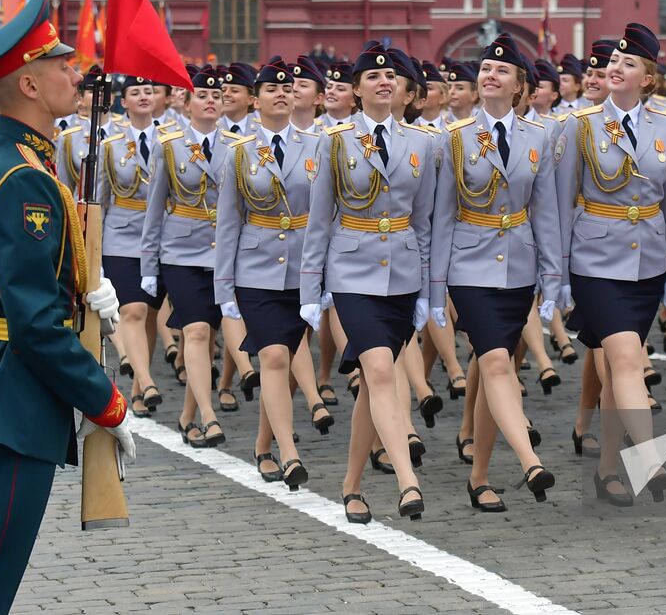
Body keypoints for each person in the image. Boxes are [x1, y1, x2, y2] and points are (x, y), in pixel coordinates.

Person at [0, 0, 132, 615]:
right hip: (12, 407)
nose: (75, 73)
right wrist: (107, 404)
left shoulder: (2, 162)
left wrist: (83, 286)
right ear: (30, 87)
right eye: (60, 64)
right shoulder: (22, 179)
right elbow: (35, 324)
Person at [300, 42, 437, 522]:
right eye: (372, 77)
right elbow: (319, 221)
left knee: (373, 386)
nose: (383, 82)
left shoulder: (424, 144)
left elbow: (424, 224)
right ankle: (407, 481)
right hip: (351, 270)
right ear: (355, 89)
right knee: (379, 372)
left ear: (405, 90)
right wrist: (310, 291)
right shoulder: (334, 140)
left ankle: (351, 485)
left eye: (392, 77)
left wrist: (427, 291)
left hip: (401, 274)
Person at [555, 24, 666, 506]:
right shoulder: (580, 125)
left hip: (646, 261)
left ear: (649, 79)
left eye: (630, 63)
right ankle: (649, 456)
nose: (616, 67)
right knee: (627, 358)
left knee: (619, 367)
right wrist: (559, 273)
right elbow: (561, 201)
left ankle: (608, 468)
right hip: (594, 258)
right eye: (614, 62)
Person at [432, 34, 560, 511]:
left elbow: (546, 213)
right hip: (469, 265)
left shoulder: (538, 138)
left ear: (520, 86)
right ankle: (530, 460)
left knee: (494, 369)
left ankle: (479, 476)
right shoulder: (456, 137)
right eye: (485, 68)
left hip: (519, 267)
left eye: (502, 71)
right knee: (495, 362)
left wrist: (553, 277)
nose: (490, 75)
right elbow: (442, 215)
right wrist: (435, 284)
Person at [216, 59, 325, 486]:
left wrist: (325, 277)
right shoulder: (238, 152)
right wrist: (223, 286)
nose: (281, 94)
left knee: (283, 363)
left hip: (303, 270)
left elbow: (324, 215)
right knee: (275, 357)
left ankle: (262, 445)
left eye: (288, 89)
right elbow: (228, 222)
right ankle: (289, 452)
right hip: (255, 269)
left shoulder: (317, 146)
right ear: (255, 99)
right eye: (270, 89)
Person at [141, 66, 231, 447]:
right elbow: (155, 206)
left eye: (216, 96)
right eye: (201, 95)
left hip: (224, 254)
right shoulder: (169, 144)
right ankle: (209, 418)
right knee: (194, 330)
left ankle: (188, 416)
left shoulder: (239, 145)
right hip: (180, 252)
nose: (209, 101)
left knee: (208, 336)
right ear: (187, 103)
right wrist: (149, 265)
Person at [100, 76, 167, 417]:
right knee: (132, 311)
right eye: (135, 93)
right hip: (121, 236)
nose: (143, 96)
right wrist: (93, 250)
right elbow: (100, 200)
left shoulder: (172, 140)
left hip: (159, 238)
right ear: (122, 102)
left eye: (149, 91)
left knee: (150, 315)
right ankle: (146, 379)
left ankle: (140, 391)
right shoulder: (109, 144)